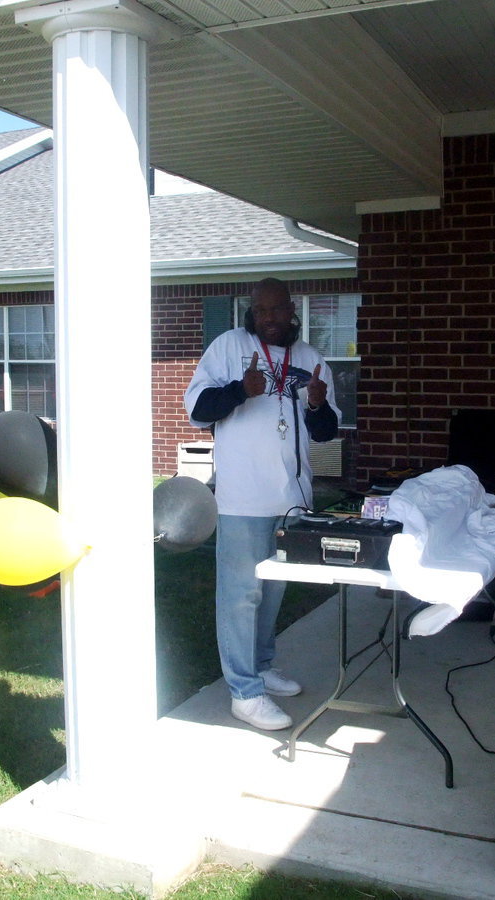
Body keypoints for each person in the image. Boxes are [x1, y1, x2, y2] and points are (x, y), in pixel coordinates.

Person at [184, 278, 340, 730]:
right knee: (240, 596)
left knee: (273, 590)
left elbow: (326, 431)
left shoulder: (309, 358)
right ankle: (244, 692)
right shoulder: (228, 346)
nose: (269, 318)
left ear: (292, 310)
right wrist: (239, 390)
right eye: (261, 310)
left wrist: (317, 404)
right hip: (242, 498)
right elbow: (197, 408)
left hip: (292, 499)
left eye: (277, 310)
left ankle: (261, 666)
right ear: (251, 311)